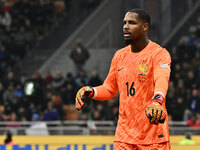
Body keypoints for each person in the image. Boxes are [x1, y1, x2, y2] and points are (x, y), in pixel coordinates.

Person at [75, 9, 171, 150]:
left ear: (145, 27)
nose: (126, 26)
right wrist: (91, 91)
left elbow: (162, 78)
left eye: (132, 23)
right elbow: (109, 89)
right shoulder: (119, 56)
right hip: (124, 137)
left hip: (153, 137)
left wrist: (157, 100)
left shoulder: (159, 54)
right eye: (124, 23)